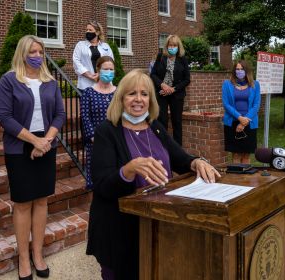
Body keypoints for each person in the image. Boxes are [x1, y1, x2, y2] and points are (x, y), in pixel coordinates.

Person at [86, 69, 220, 279]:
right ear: (121, 98)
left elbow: (179, 157)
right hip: (119, 229)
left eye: (144, 94)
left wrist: (196, 162)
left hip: (156, 221)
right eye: (132, 94)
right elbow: (102, 184)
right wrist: (129, 170)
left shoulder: (154, 126)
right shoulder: (107, 131)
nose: (138, 99)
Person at [0, 35, 66, 279]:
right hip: (19, 146)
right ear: (22, 53)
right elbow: (4, 118)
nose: (37, 55)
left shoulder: (50, 81)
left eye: (40, 51)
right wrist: (34, 141)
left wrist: (45, 141)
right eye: (32, 51)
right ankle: (23, 258)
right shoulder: (9, 80)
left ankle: (38, 254)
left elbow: (59, 114)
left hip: (46, 144)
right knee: (23, 203)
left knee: (42, 200)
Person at [80, 56, 117, 189]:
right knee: (98, 179)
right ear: (98, 70)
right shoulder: (88, 93)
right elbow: (85, 117)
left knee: (115, 177)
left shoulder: (118, 93)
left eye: (111, 69)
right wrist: (94, 137)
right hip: (95, 143)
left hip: (115, 141)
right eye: (105, 69)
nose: (109, 72)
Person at [150, 35, 190, 146]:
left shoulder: (182, 59)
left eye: (174, 45)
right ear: (166, 46)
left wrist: (173, 89)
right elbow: (153, 74)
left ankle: (178, 151)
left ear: (178, 46)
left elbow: (187, 79)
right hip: (161, 94)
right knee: (161, 121)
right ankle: (162, 148)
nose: (172, 47)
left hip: (176, 94)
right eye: (170, 45)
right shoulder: (160, 57)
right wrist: (162, 85)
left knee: (177, 122)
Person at [221, 60, 261, 164]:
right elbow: (226, 104)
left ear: (247, 71)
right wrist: (240, 118)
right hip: (232, 122)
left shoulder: (255, 84)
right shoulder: (227, 84)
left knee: (246, 155)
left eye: (242, 69)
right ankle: (236, 178)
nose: (239, 71)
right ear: (234, 71)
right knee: (236, 154)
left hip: (250, 123)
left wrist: (244, 121)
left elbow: (256, 105)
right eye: (237, 69)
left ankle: (246, 179)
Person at [72, 21, 114, 92]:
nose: (87, 32)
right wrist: (89, 75)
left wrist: (100, 74)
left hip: (104, 82)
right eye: (87, 30)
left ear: (97, 32)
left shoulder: (105, 46)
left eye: (90, 30)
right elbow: (76, 61)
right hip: (85, 84)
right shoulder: (80, 45)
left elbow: (111, 62)